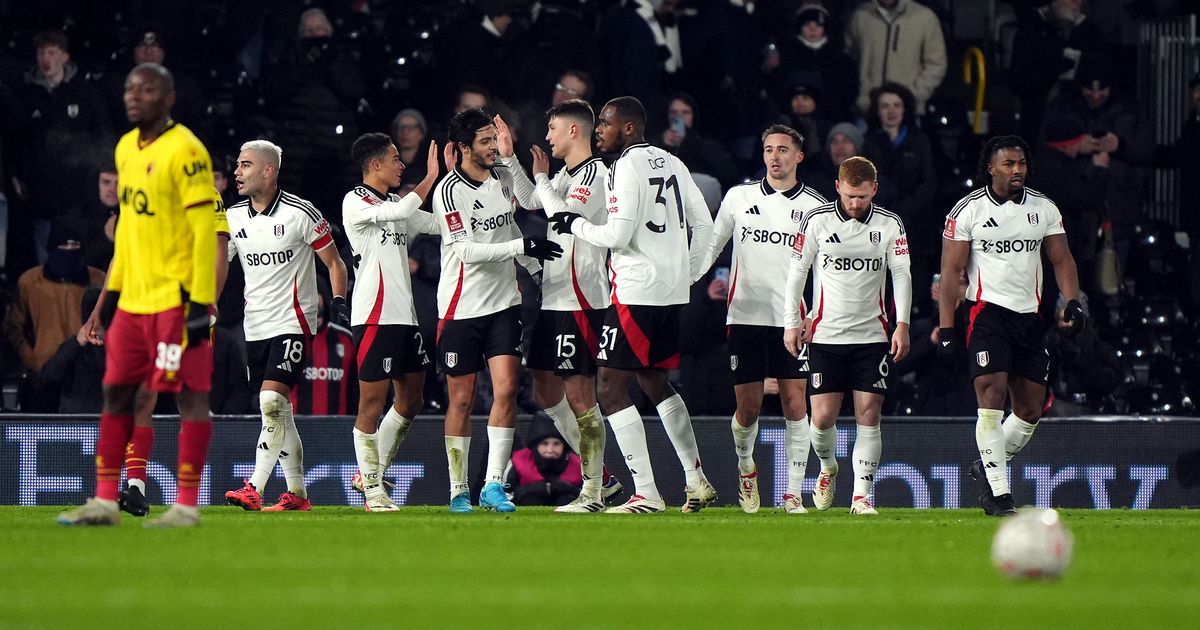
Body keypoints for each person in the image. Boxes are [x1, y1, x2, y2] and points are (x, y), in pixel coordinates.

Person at [57, 63, 217, 528]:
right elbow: (128, 232)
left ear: (168, 98)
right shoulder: (126, 148)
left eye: (146, 89)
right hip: (133, 303)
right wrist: (105, 303)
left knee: (189, 397)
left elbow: (203, 230)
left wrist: (197, 302)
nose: (133, 96)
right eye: (129, 88)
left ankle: (186, 506)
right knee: (116, 394)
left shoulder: (187, 150)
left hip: (174, 299)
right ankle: (105, 501)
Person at [548, 96, 715, 513]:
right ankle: (696, 480)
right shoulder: (673, 162)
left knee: (608, 386)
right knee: (655, 382)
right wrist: (688, 274)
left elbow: (618, 237)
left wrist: (575, 223)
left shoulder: (624, 166)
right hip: (670, 293)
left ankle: (647, 493)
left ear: (628, 128)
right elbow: (705, 225)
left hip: (636, 291)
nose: (598, 129)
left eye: (605, 123)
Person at [938, 136, 1087, 516]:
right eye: (1008, 164)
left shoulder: (1043, 208)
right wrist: (948, 326)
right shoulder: (967, 210)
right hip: (986, 314)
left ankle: (988, 467)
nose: (1017, 170)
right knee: (990, 397)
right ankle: (1000, 494)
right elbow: (952, 272)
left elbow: (1062, 259)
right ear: (990, 167)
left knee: (1031, 409)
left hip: (1029, 317)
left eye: (1021, 163)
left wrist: (1072, 300)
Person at [433, 108, 563, 513]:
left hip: (505, 304)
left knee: (507, 389)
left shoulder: (503, 177)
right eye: (486, 141)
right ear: (463, 147)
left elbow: (519, 216)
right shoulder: (448, 192)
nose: (493, 147)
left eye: (495, 139)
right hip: (461, 306)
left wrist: (533, 269)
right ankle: (458, 490)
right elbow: (466, 251)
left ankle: (492, 485)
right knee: (462, 400)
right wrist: (522, 249)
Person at [496, 100, 621, 513]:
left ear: (573, 131)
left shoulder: (598, 173)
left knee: (579, 392)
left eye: (552, 129)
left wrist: (541, 177)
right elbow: (534, 201)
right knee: (545, 390)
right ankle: (600, 475)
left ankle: (591, 491)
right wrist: (511, 158)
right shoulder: (566, 174)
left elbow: (562, 213)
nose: (547, 137)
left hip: (582, 298)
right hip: (554, 296)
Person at [697, 124, 826, 514]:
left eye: (784, 150)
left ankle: (792, 493)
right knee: (748, 409)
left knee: (794, 404)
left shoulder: (814, 208)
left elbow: (824, 270)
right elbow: (712, 246)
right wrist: (686, 278)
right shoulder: (739, 197)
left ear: (798, 156)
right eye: (769, 149)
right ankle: (746, 469)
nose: (775, 156)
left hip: (790, 321)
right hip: (745, 315)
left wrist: (814, 316)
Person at [221, 139, 349, 512]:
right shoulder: (234, 217)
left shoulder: (301, 212)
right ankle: (297, 494)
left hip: (294, 320)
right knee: (279, 411)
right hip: (255, 325)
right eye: (237, 165)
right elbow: (216, 262)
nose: (237, 172)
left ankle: (254, 487)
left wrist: (339, 301)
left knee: (272, 401)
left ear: (268, 170)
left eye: (245, 165)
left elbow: (335, 263)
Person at [783, 156, 912, 516]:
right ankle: (827, 467)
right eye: (850, 196)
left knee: (868, 414)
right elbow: (796, 274)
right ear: (838, 187)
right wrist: (791, 322)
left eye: (863, 197)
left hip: (872, 336)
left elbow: (901, 275)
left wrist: (902, 324)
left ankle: (861, 498)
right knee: (822, 419)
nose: (856, 204)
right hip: (825, 335)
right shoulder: (817, 221)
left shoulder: (890, 224)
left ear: (874, 189)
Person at [342, 132, 442, 512]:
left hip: (406, 317)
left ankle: (370, 472)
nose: (402, 165)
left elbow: (436, 224)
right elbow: (400, 213)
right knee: (371, 402)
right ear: (376, 165)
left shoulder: (398, 203)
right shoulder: (356, 201)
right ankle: (373, 490)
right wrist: (430, 176)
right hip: (374, 316)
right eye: (396, 159)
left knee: (412, 399)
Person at [16, 30, 111, 266]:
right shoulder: (27, 95)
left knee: (81, 255)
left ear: (65, 56)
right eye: (41, 53)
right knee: (44, 255)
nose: (46, 58)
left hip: (78, 193)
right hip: (41, 192)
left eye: (52, 52)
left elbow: (103, 133)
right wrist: (17, 174)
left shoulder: (85, 93)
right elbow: (18, 140)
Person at [3, 224, 105, 411]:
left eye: (74, 246)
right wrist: (32, 359)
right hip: (43, 375)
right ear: (51, 249)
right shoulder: (30, 282)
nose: (69, 251)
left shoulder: (98, 280)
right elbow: (13, 328)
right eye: (63, 247)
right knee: (41, 435)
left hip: (84, 380)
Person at [844, 0, 946, 114]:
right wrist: (859, 94)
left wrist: (912, 96)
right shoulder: (860, 16)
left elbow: (936, 64)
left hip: (907, 113)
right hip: (866, 109)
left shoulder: (925, 18)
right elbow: (849, 60)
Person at [291, 280, 358, 415]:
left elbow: (356, 390)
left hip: (337, 428)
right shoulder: (288, 338)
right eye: (306, 295)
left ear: (324, 298)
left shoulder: (346, 339)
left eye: (315, 294)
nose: (310, 300)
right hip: (296, 428)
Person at [657, 92, 740, 190]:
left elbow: (730, 174)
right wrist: (661, 142)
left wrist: (690, 141)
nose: (679, 117)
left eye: (685, 113)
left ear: (693, 116)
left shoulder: (707, 145)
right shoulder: (655, 144)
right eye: (673, 112)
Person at [505, 415, 584, 507]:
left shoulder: (578, 464)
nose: (550, 449)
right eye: (545, 444)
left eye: (556, 444)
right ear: (535, 445)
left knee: (567, 500)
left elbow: (590, 494)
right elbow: (507, 494)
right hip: (529, 501)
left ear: (565, 446)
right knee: (530, 500)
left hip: (565, 501)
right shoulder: (519, 462)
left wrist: (569, 489)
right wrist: (529, 490)